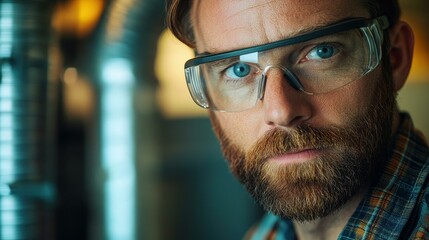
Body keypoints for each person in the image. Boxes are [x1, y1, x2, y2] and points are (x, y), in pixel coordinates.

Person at [166, 0, 429, 239]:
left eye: (322, 52)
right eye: (239, 69)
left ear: (395, 58)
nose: (281, 112)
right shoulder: (263, 235)